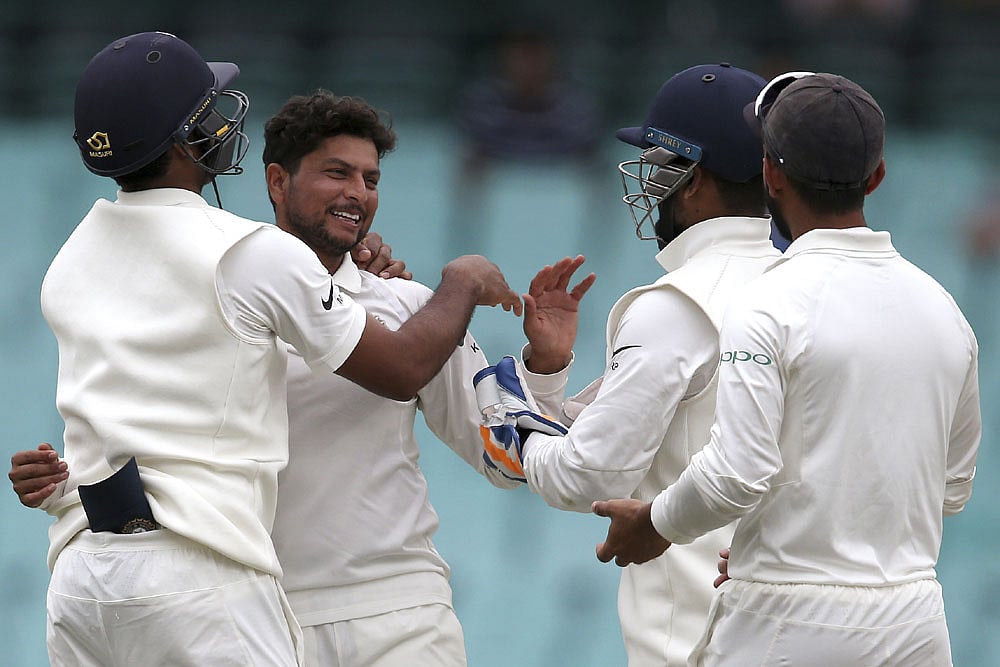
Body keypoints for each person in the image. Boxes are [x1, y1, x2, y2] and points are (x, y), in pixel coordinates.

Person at [20, 31, 520, 666]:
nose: (223, 124)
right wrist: (462, 281)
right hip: (199, 571)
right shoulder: (249, 251)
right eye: (209, 113)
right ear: (186, 139)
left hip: (81, 576)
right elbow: (400, 370)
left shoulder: (68, 261)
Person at [592, 72, 981, 665]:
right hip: (915, 624)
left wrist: (655, 523)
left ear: (770, 174)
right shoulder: (945, 311)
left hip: (786, 622)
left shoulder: (767, 302)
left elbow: (736, 474)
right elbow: (951, 489)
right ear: (876, 177)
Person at [261, 90, 592, 666]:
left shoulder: (411, 306)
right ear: (277, 181)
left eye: (370, 179)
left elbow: (508, 460)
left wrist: (543, 368)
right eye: (336, 173)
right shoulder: (222, 300)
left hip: (401, 615)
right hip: (259, 618)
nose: (357, 193)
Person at [481, 63, 782, 666]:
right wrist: (547, 374)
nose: (648, 184)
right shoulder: (810, 286)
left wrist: (512, 417)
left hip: (697, 641)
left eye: (657, 166)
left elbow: (586, 474)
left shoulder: (676, 307)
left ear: (691, 180)